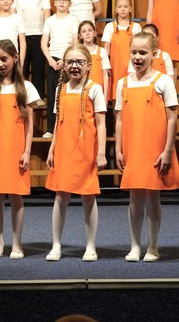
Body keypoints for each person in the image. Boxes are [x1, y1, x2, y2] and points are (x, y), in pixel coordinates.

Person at [115, 32, 179, 262]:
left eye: (143, 53)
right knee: (134, 197)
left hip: (155, 148)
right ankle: (135, 246)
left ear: (154, 54)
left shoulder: (163, 81)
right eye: (134, 52)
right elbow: (120, 119)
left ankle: (153, 247)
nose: (137, 57)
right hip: (133, 147)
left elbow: (172, 118)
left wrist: (168, 150)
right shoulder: (122, 83)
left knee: (152, 196)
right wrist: (118, 149)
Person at [0, 39, 41, 260]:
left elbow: (30, 125)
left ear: (15, 58)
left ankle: (17, 245)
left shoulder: (26, 87)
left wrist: (27, 151)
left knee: (16, 196)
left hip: (16, 149)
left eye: (4, 59)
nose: (0, 64)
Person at [45, 44, 107, 262]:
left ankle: (90, 246)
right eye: (70, 61)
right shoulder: (60, 90)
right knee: (60, 196)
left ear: (88, 65)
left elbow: (101, 123)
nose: (74, 66)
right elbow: (58, 123)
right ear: (64, 65)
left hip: (85, 150)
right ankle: (56, 245)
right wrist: (52, 149)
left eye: (79, 62)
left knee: (88, 196)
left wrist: (101, 153)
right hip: (64, 149)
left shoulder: (94, 89)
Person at [40, 0, 79, 138]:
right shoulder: (49, 20)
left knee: (67, 94)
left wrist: (66, 60)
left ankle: (66, 126)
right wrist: (50, 59)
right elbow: (44, 43)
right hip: (52, 60)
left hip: (68, 60)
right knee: (52, 95)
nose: (62, 2)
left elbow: (75, 42)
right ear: (54, 3)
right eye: (59, 0)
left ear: (70, 3)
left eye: (65, 0)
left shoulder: (73, 20)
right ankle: (51, 128)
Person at [12, 0, 51, 99]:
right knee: (20, 67)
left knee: (38, 69)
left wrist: (46, 34)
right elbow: (12, 11)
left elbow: (46, 11)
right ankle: (21, 97)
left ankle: (38, 99)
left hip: (39, 33)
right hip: (21, 34)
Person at [101, 0, 142, 101]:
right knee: (116, 96)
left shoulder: (136, 27)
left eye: (125, 6)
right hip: (115, 67)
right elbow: (106, 50)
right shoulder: (110, 27)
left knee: (131, 95)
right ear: (116, 9)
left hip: (132, 66)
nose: (123, 9)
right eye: (120, 7)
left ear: (130, 8)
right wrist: (106, 67)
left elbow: (140, 47)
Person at [78, 20, 111, 99]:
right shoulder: (78, 52)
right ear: (80, 35)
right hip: (82, 92)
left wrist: (105, 97)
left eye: (90, 30)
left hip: (98, 92)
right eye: (84, 31)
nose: (87, 33)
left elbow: (105, 75)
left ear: (94, 33)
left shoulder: (102, 51)